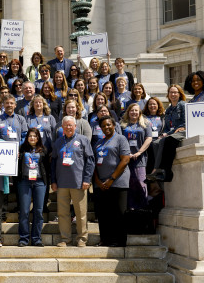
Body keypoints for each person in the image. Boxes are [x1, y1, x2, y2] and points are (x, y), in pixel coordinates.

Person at [51, 116, 95, 247]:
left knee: (80, 212)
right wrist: (53, 181)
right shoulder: (58, 142)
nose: (68, 127)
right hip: (62, 183)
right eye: (66, 125)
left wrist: (87, 179)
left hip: (79, 182)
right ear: (62, 127)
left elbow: (90, 161)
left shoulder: (83, 140)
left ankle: (82, 238)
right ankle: (65, 239)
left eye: (70, 125)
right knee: (63, 213)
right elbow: (53, 162)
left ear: (75, 126)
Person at [92, 116, 131, 247]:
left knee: (118, 213)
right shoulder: (98, 143)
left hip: (117, 182)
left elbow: (125, 160)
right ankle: (105, 240)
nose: (106, 127)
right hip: (101, 185)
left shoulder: (121, 139)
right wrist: (97, 181)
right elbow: (93, 164)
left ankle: (119, 241)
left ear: (114, 125)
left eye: (108, 125)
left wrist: (111, 179)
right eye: (103, 126)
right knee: (103, 214)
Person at [146, 85, 187, 183]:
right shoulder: (168, 110)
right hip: (170, 133)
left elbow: (186, 122)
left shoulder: (183, 105)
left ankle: (157, 170)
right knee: (155, 143)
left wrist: (168, 133)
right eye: (171, 92)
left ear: (179, 94)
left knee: (164, 140)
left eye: (175, 92)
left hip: (181, 132)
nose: (173, 94)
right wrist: (164, 133)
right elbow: (167, 127)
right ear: (168, 95)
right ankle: (157, 169)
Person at [17, 128, 50, 247]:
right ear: (27, 138)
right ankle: (24, 238)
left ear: (38, 138)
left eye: (34, 136)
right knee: (24, 211)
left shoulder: (44, 150)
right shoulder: (22, 149)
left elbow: (47, 167)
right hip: (25, 181)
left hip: (39, 182)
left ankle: (36, 238)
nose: (32, 138)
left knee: (38, 211)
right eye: (30, 136)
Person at [120, 104, 152, 211]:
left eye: (136, 111)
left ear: (140, 113)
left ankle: (143, 208)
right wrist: (127, 153)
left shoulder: (145, 124)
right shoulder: (123, 125)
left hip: (140, 159)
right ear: (128, 112)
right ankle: (131, 209)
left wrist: (139, 152)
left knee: (140, 182)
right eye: (132, 110)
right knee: (129, 183)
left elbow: (149, 139)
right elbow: (120, 140)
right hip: (126, 159)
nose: (134, 112)